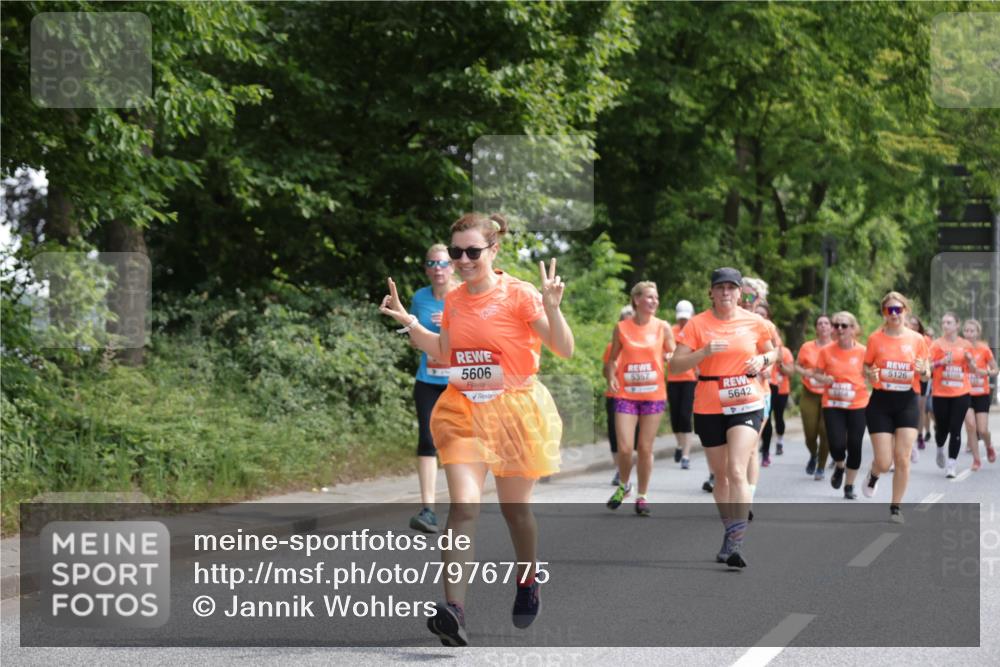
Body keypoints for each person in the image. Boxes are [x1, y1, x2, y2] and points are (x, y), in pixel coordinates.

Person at [379, 212, 573, 645]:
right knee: (463, 507)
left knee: (514, 511)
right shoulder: (454, 300)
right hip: (463, 411)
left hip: (514, 412)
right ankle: (455, 611)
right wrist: (409, 321)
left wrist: (554, 310)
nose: (462, 260)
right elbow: (444, 353)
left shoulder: (521, 295)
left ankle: (527, 581)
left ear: (494, 249)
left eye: (472, 252)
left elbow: (563, 348)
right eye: (455, 252)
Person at [670, 267, 776, 568]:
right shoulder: (696, 324)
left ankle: (736, 542)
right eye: (720, 288)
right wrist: (702, 352)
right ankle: (730, 531)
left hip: (746, 400)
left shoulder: (755, 322)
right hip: (709, 402)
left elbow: (774, 353)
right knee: (721, 476)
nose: (726, 292)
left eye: (731, 287)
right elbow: (676, 366)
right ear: (712, 293)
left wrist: (762, 359)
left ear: (740, 292)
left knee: (737, 469)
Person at [606, 281, 676, 516]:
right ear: (636, 300)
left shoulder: (663, 327)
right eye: (649, 297)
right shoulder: (622, 327)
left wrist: (671, 356)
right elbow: (612, 359)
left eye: (656, 297)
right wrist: (611, 376)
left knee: (645, 448)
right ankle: (625, 485)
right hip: (626, 394)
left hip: (653, 395)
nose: (654, 301)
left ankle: (642, 496)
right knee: (625, 448)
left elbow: (673, 352)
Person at [861, 291, 930, 524]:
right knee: (884, 461)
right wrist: (871, 373)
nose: (894, 314)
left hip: (907, 401)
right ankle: (874, 474)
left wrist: (923, 371)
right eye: (889, 309)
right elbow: (866, 367)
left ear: (905, 311)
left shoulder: (917, 340)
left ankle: (895, 507)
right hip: (881, 402)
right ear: (884, 313)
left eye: (898, 309)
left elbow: (926, 373)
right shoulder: (875, 339)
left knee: (902, 457)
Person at [408, 244, 457, 533]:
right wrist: (418, 337)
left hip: (458, 382)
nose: (438, 269)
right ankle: (428, 510)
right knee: (427, 440)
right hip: (428, 379)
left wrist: (450, 324)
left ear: (452, 267)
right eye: (432, 264)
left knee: (453, 443)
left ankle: (461, 502)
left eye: (443, 263)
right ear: (427, 269)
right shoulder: (420, 298)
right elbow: (413, 338)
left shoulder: (463, 296)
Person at [813, 311, 870, 499]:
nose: (839, 329)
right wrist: (825, 378)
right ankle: (839, 465)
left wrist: (873, 377)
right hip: (833, 403)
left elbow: (871, 374)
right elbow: (816, 373)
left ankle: (849, 485)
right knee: (836, 444)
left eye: (844, 325)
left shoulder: (863, 351)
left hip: (857, 404)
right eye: (836, 325)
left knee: (855, 445)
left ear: (853, 329)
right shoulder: (826, 351)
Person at [929, 312, 975, 478]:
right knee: (942, 428)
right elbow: (927, 368)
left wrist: (970, 361)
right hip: (941, 393)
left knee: (956, 428)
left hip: (961, 392)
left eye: (949, 322)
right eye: (943, 322)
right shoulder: (936, 345)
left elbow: (974, 368)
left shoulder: (966, 344)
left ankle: (951, 465)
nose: (945, 325)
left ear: (957, 325)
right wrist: (941, 362)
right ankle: (940, 447)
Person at [603, 305, 637, 486]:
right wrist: (611, 375)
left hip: (636, 397)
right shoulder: (611, 347)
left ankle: (627, 471)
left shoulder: (641, 344)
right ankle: (619, 471)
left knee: (632, 438)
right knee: (615, 436)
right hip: (615, 395)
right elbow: (605, 369)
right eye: (624, 320)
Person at [796, 315, 833, 479]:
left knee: (825, 431)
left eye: (826, 323)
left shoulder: (837, 348)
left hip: (830, 395)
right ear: (816, 328)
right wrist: (806, 372)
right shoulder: (807, 347)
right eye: (820, 323)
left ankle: (821, 467)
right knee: (810, 433)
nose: (823, 326)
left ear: (831, 328)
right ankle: (813, 454)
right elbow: (797, 366)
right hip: (809, 393)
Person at [963, 318, 998, 467]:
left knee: (982, 430)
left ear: (978, 333)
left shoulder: (984, 349)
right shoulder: (960, 348)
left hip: (981, 393)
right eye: (966, 331)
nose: (969, 334)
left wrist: (985, 372)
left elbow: (996, 370)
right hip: (965, 393)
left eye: (972, 331)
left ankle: (989, 446)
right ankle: (976, 459)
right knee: (971, 425)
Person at [667, 299, 697, 469]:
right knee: (675, 418)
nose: (683, 322)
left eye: (686, 318)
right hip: (673, 379)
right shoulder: (671, 331)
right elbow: (666, 350)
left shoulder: (695, 331)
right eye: (681, 319)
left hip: (689, 379)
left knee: (685, 416)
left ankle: (686, 455)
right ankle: (679, 445)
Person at [906, 315, 932, 451]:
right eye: (910, 324)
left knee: (920, 408)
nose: (912, 326)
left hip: (921, 378)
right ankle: (910, 436)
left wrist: (923, 368)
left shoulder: (924, 339)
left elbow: (929, 360)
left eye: (915, 324)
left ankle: (920, 435)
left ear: (919, 326)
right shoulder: (902, 338)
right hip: (907, 377)